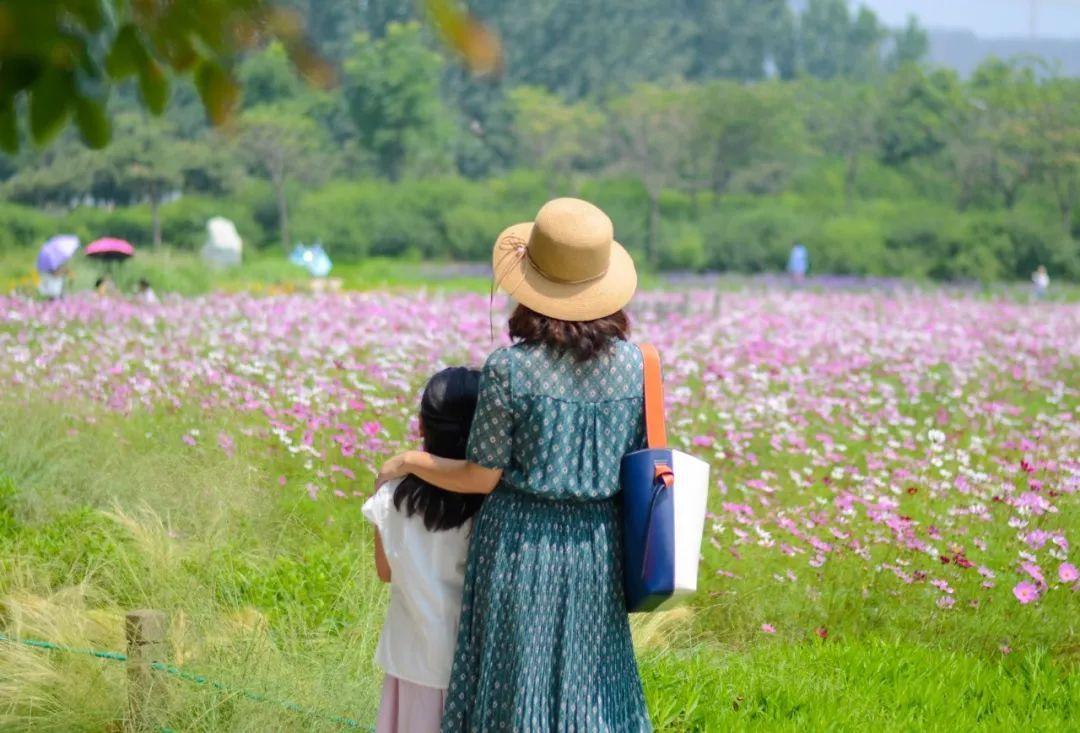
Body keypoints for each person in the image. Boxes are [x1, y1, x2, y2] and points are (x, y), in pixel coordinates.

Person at [377, 198, 652, 731]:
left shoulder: (510, 369)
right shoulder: (636, 367)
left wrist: (410, 460)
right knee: (592, 684)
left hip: (518, 544)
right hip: (599, 543)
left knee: (515, 685)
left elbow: (481, 475)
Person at [364, 367, 485, 733]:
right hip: (471, 661)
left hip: (411, 656)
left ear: (421, 427)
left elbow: (385, 573)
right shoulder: (490, 503)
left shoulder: (393, 494)